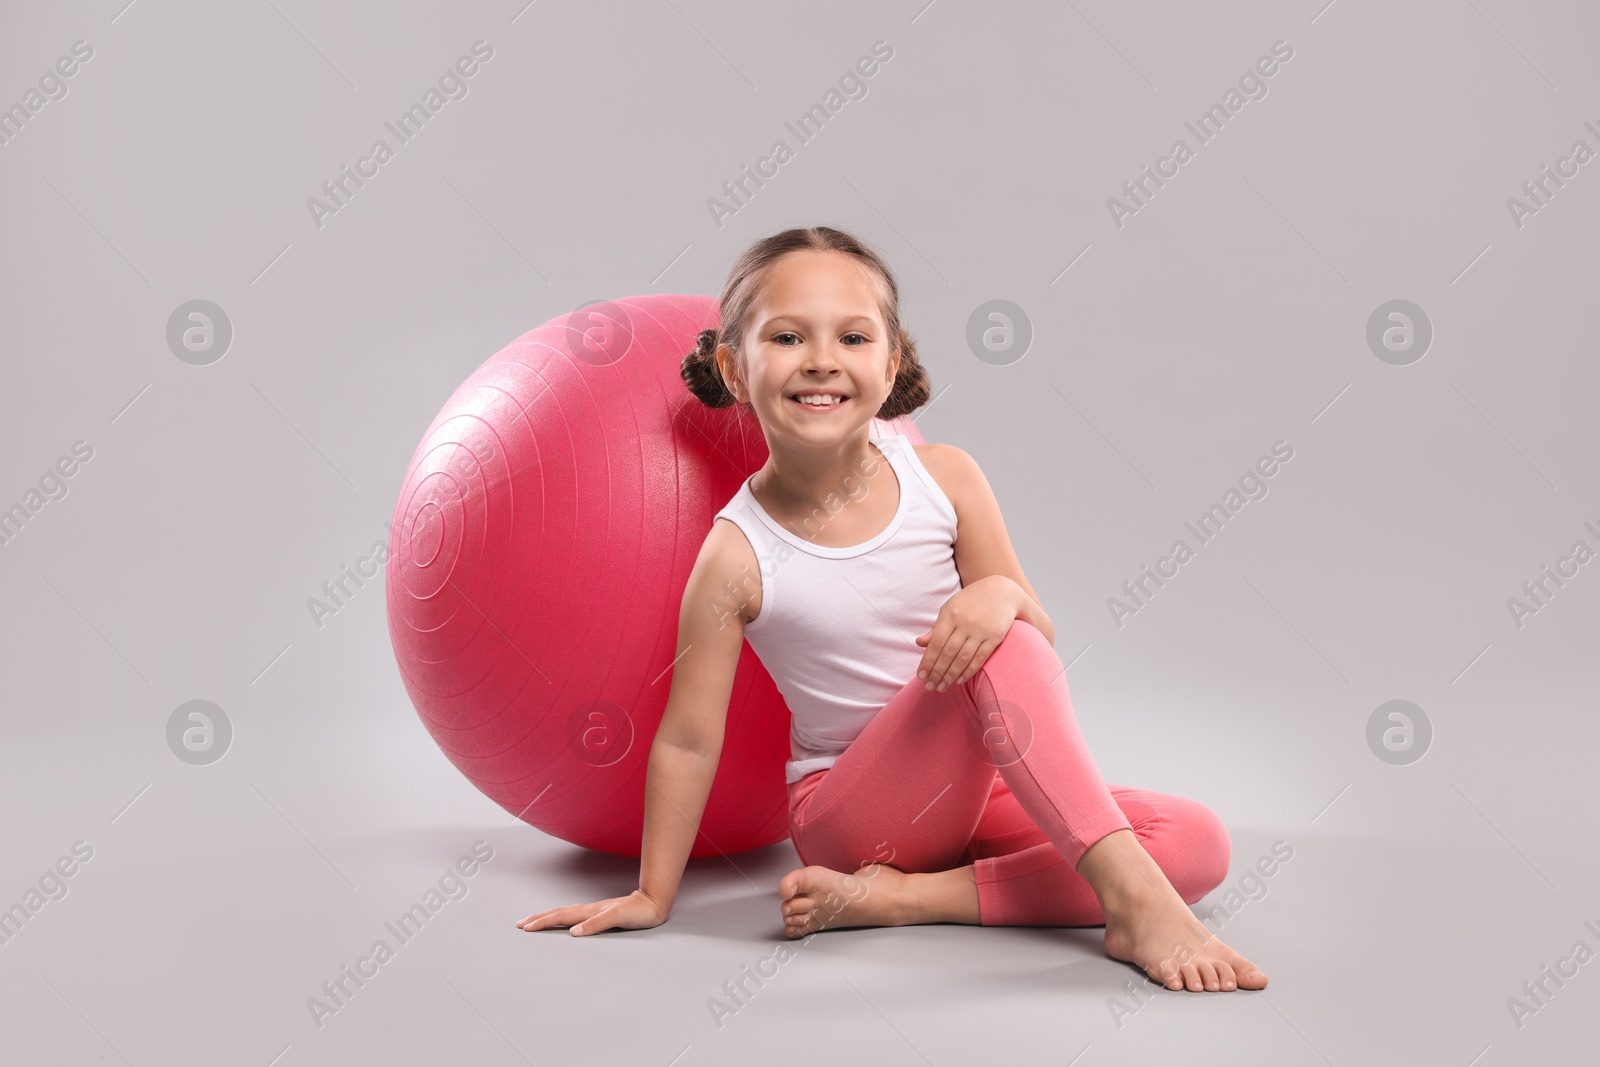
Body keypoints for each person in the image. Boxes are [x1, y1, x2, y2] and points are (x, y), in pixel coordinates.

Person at [517, 226, 1268, 993]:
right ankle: (1134, 902)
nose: (821, 359)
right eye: (785, 336)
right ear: (733, 367)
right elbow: (688, 739)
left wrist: (1002, 592)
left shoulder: (947, 477)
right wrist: (653, 893)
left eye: (852, 335)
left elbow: (1035, 635)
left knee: (1196, 842)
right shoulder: (737, 555)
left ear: (892, 361)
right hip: (853, 818)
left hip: (975, 791)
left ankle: (911, 898)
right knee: (996, 639)